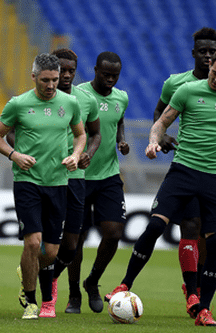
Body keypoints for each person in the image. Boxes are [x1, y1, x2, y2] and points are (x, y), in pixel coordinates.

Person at [106, 47, 216, 327]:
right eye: (213, 73)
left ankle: (204, 309)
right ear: (209, 66)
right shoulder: (188, 90)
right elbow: (162, 121)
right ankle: (124, 284)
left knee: (214, 243)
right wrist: (153, 141)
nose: (214, 79)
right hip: (183, 171)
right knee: (154, 226)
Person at [147, 27, 216, 305]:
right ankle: (192, 288)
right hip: (187, 166)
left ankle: (199, 285)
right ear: (194, 53)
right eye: (202, 51)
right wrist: (162, 136)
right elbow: (160, 113)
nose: (207, 56)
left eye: (211, 51)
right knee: (191, 226)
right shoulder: (177, 84)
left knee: (208, 233)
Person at [0, 53, 86, 320]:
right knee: (33, 243)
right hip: (27, 181)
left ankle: (27, 271)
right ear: (34, 77)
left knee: (51, 251)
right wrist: (14, 155)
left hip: (58, 182)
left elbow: (80, 134)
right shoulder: (18, 104)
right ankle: (31, 301)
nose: (52, 85)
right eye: (46, 80)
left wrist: (75, 155)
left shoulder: (70, 103)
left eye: (55, 79)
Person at [34, 49, 101, 317]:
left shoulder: (85, 100)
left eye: (71, 70)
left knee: (71, 244)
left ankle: (43, 274)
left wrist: (86, 154)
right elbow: (12, 132)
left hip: (74, 179)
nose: (67, 75)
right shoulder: (32, 100)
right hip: (43, 179)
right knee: (40, 241)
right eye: (62, 70)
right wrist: (26, 156)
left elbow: (94, 134)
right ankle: (37, 286)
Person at [69, 51, 129, 314]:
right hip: (80, 177)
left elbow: (118, 121)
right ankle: (74, 295)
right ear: (95, 70)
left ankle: (92, 281)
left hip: (108, 175)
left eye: (114, 76)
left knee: (114, 232)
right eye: (105, 74)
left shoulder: (121, 97)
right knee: (75, 239)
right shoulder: (79, 95)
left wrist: (121, 140)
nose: (110, 80)